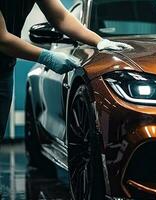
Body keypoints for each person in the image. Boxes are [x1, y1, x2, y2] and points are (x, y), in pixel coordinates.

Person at [0, 0, 132, 142]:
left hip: (4, 68)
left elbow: (61, 17)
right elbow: (2, 39)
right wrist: (47, 57)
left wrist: (100, 41)